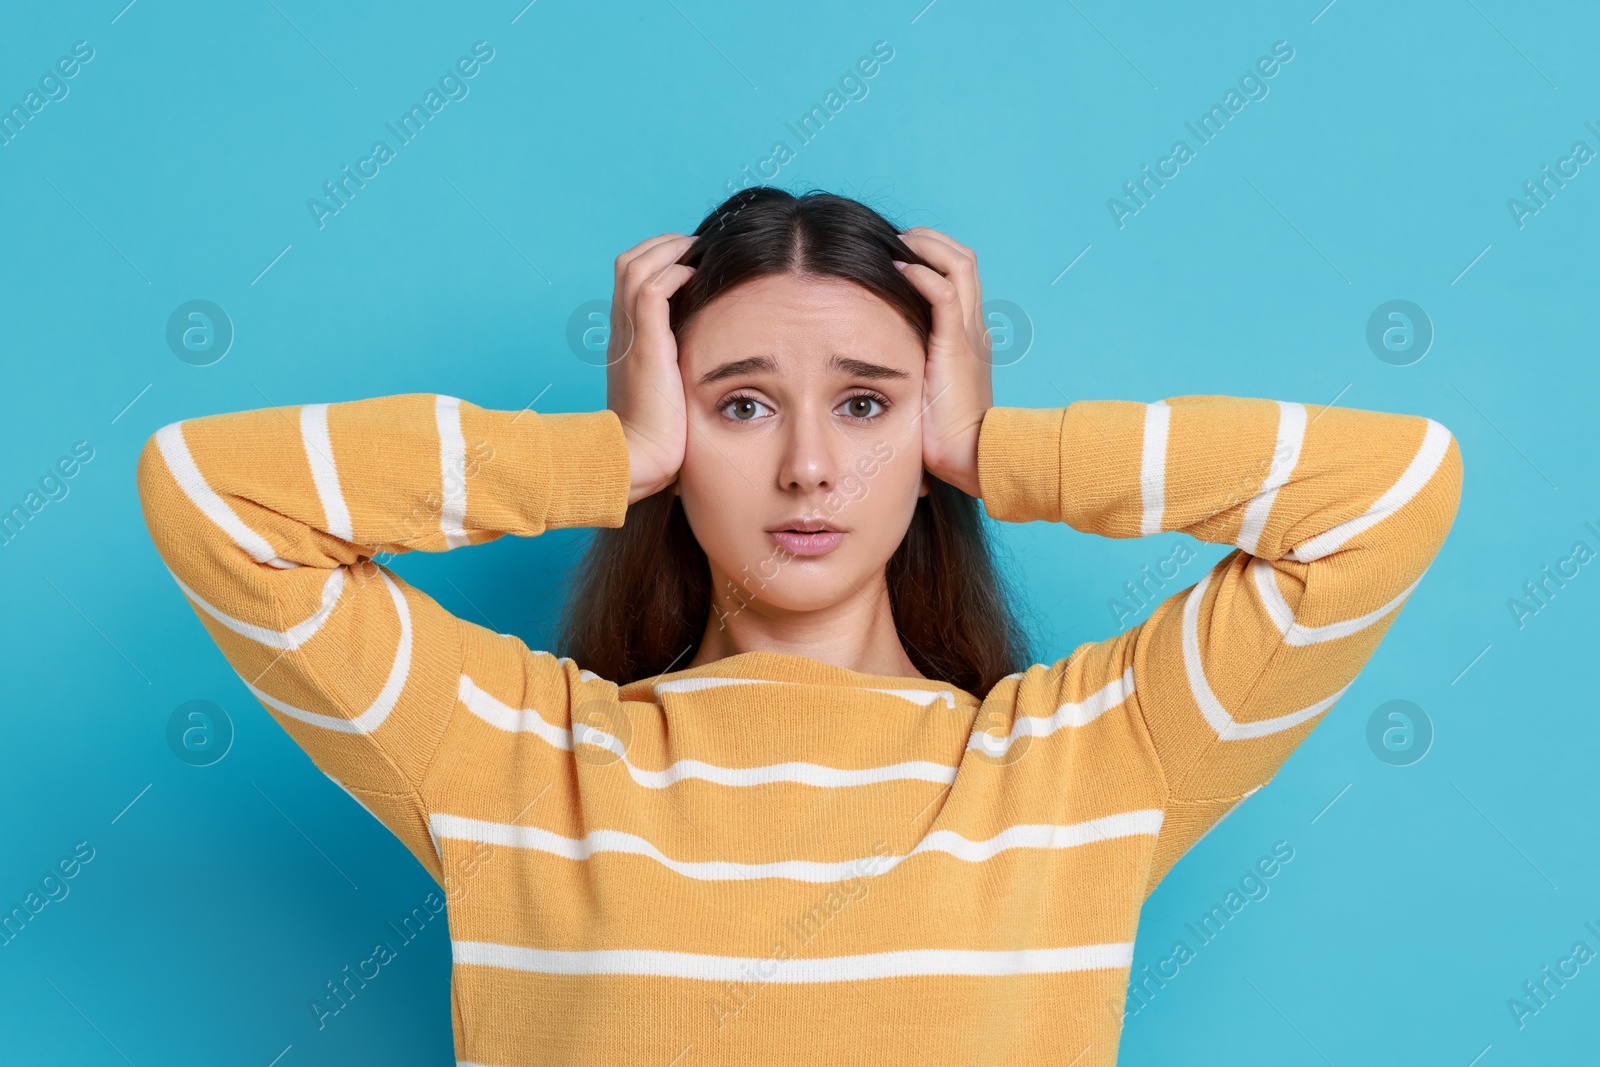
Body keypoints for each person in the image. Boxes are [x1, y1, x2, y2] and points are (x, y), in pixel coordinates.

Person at [135, 187, 1463, 1065]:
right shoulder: (515, 763)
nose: (811, 470)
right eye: (743, 405)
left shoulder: (1089, 764)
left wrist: (1000, 448)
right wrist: (605, 453)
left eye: (871, 404)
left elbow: (1392, 490)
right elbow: (210, 495)